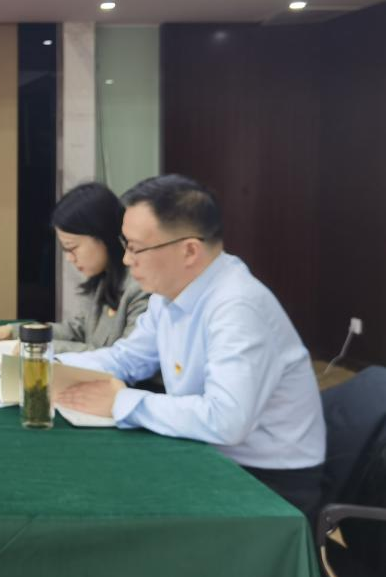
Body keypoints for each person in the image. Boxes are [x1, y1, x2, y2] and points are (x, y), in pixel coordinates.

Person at [54, 174, 326, 518]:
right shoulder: (169, 295)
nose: (125, 260)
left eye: (136, 248)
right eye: (125, 245)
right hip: (211, 452)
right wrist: (46, 362)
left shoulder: (236, 307)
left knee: (115, 505)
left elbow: (227, 420)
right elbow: (127, 359)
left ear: (189, 251)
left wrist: (121, 402)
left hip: (269, 481)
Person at [0, 182, 148, 352]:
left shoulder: (140, 288)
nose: (69, 258)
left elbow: (123, 358)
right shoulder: (103, 278)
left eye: (72, 247)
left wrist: (44, 347)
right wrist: (15, 331)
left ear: (103, 236)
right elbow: (77, 330)